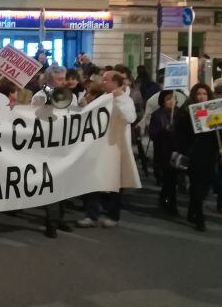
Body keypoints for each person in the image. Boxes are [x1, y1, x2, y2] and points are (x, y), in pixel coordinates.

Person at [76, 72, 136, 228]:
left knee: (116, 183)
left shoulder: (125, 100)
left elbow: (130, 118)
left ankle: (113, 216)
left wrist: (118, 99)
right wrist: (84, 104)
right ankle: (92, 215)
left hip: (116, 146)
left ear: (116, 83)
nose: (103, 82)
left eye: (106, 80)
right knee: (93, 180)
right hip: (98, 146)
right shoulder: (101, 97)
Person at [174, 83, 222, 232]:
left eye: (204, 94)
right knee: (197, 186)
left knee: (205, 186)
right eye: (199, 94)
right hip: (194, 154)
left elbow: (219, 134)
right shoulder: (186, 112)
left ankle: (191, 211)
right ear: (194, 95)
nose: (202, 97)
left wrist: (221, 149)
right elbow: (181, 135)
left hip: (210, 153)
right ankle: (199, 217)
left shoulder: (214, 110)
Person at [148, 90, 180, 215]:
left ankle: (166, 199)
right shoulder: (157, 115)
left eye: (174, 98)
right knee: (168, 179)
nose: (171, 101)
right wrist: (164, 130)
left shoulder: (180, 114)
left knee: (171, 180)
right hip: (163, 151)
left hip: (176, 151)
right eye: (168, 99)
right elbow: (152, 134)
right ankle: (169, 202)